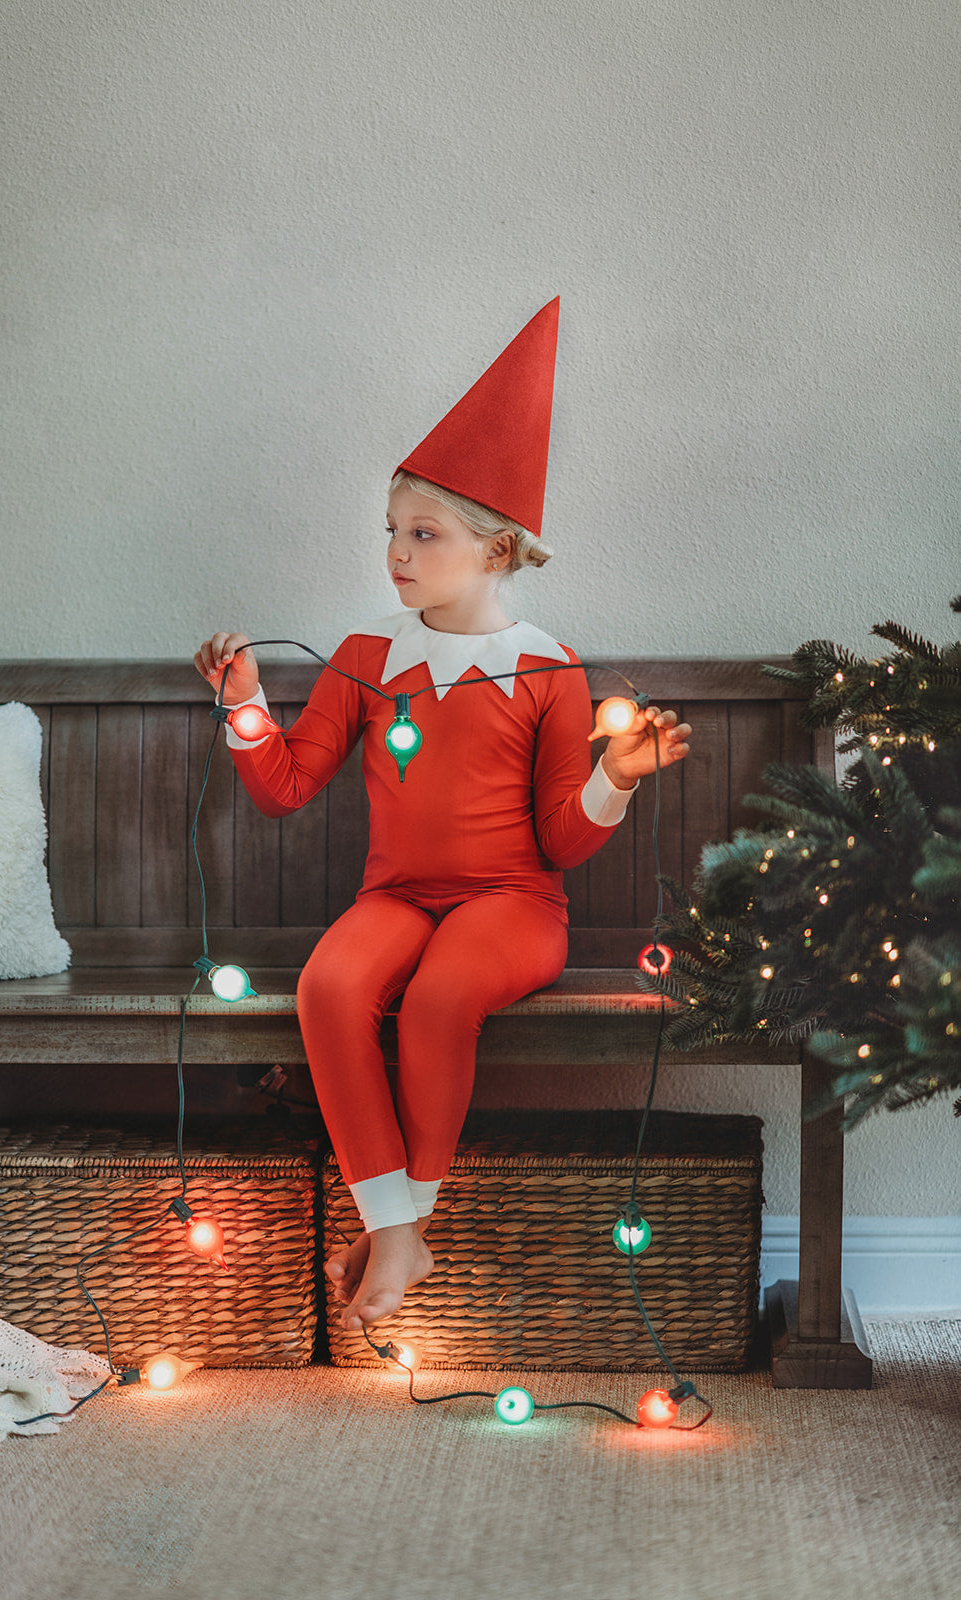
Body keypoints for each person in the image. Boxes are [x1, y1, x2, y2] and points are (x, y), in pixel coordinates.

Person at [193, 300, 691, 1333]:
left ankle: (393, 1229)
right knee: (330, 983)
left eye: (423, 533)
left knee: (436, 999)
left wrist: (620, 776)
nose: (398, 552)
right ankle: (400, 1232)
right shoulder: (368, 655)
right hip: (397, 896)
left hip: (513, 902)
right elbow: (285, 783)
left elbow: (561, 838)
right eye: (391, 530)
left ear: (497, 548)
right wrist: (241, 699)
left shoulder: (547, 667)